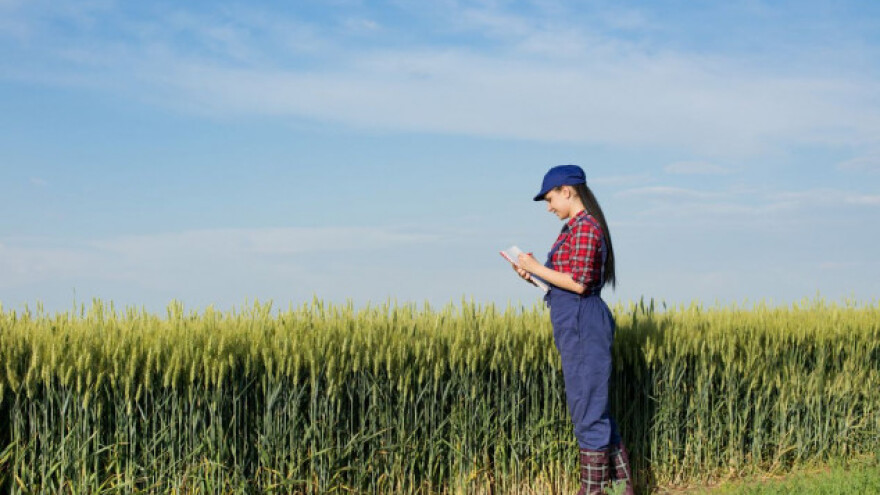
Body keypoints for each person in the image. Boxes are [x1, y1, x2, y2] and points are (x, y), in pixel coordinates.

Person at [511, 165, 634, 495]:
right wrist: (534, 277)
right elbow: (566, 283)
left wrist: (537, 266)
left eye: (549, 198)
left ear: (568, 191)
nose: (548, 206)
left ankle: (592, 492)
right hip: (576, 322)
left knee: (587, 410)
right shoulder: (574, 229)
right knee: (596, 408)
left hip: (582, 323)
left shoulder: (585, 228)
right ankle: (622, 491)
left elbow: (579, 284)